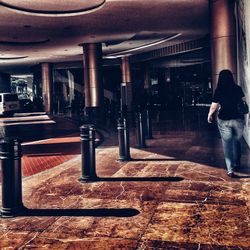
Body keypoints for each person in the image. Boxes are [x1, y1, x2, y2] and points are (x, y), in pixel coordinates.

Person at [207, 69, 248, 178]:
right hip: (238, 119)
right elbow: (244, 104)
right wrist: (246, 120)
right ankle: (237, 163)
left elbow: (214, 105)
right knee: (237, 141)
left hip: (224, 119)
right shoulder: (237, 88)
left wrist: (209, 114)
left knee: (227, 144)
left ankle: (230, 169)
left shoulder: (219, 90)